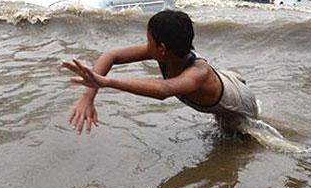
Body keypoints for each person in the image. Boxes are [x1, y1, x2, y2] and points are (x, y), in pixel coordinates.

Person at [61, 10, 259, 135]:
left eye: (148, 39)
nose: (146, 45)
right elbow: (111, 55)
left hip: (239, 104)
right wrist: (88, 96)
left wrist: (106, 82)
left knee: (243, 136)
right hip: (226, 79)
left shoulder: (198, 73)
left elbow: (163, 89)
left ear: (161, 48)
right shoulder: (165, 52)